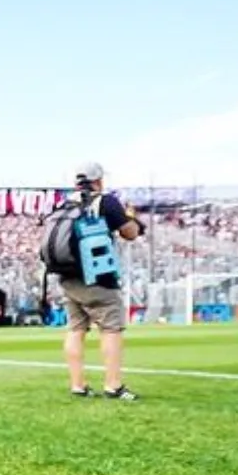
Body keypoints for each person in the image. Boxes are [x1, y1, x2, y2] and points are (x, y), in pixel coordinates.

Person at [55, 162, 143, 400]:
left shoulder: (65, 203)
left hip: (68, 276)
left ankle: (78, 385)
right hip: (98, 275)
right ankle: (113, 385)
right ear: (99, 180)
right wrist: (131, 217)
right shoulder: (105, 201)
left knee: (75, 329)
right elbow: (130, 233)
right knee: (111, 328)